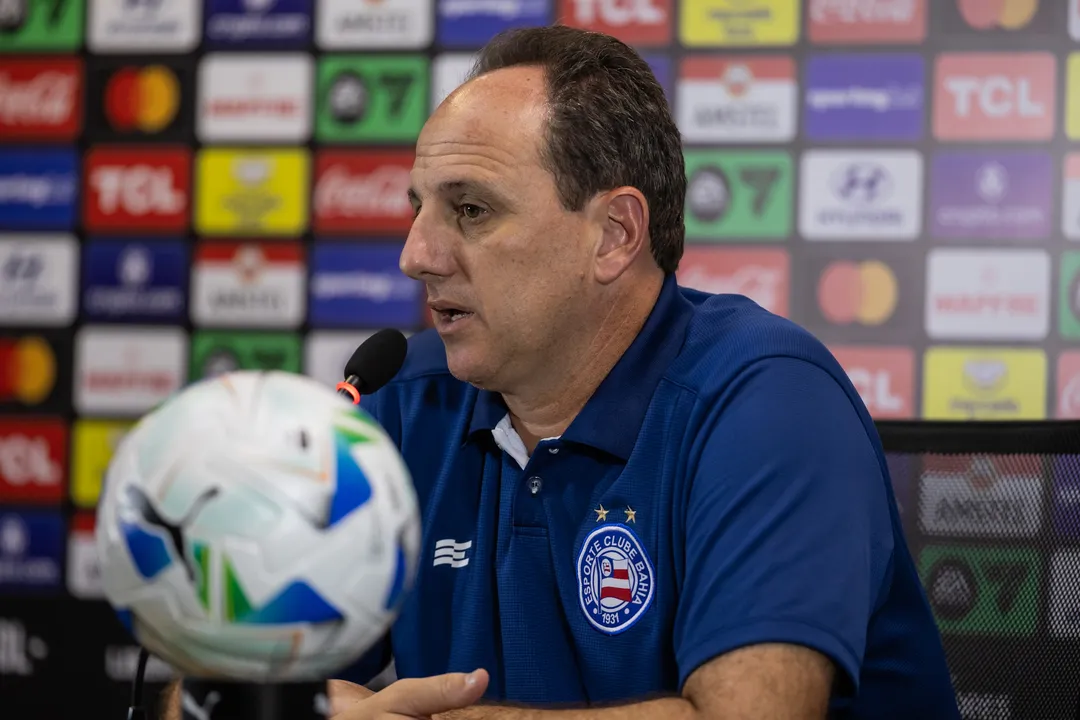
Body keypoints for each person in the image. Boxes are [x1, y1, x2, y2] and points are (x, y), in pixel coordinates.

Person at [163, 24, 960, 720]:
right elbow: (198, 695)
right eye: (417, 208)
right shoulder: (406, 405)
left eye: (470, 210)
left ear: (614, 234)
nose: (416, 255)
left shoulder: (766, 400)